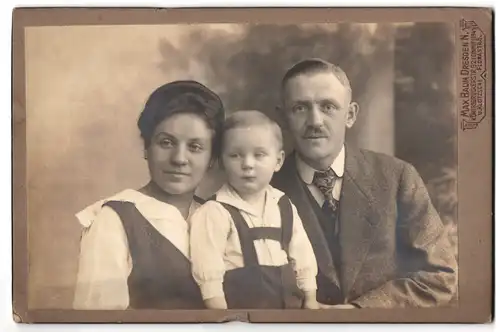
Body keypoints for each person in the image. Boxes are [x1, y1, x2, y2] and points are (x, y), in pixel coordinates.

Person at [271, 58, 458, 308]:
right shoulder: (264, 189)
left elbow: (439, 276)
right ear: (283, 118)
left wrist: (359, 311)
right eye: (300, 108)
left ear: (350, 115)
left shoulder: (396, 177)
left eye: (328, 107)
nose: (315, 121)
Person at [73, 80, 225, 310]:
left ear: (212, 158)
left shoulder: (217, 215)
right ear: (146, 147)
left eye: (195, 147)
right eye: (166, 142)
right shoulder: (114, 219)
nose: (179, 159)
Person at [189, 110, 319, 310]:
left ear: (278, 161)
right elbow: (208, 274)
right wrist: (221, 317)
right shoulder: (215, 211)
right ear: (222, 161)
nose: (248, 164)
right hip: (240, 314)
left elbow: (302, 255)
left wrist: (310, 299)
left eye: (259, 155)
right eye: (235, 155)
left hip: (289, 312)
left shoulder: (283, 205)